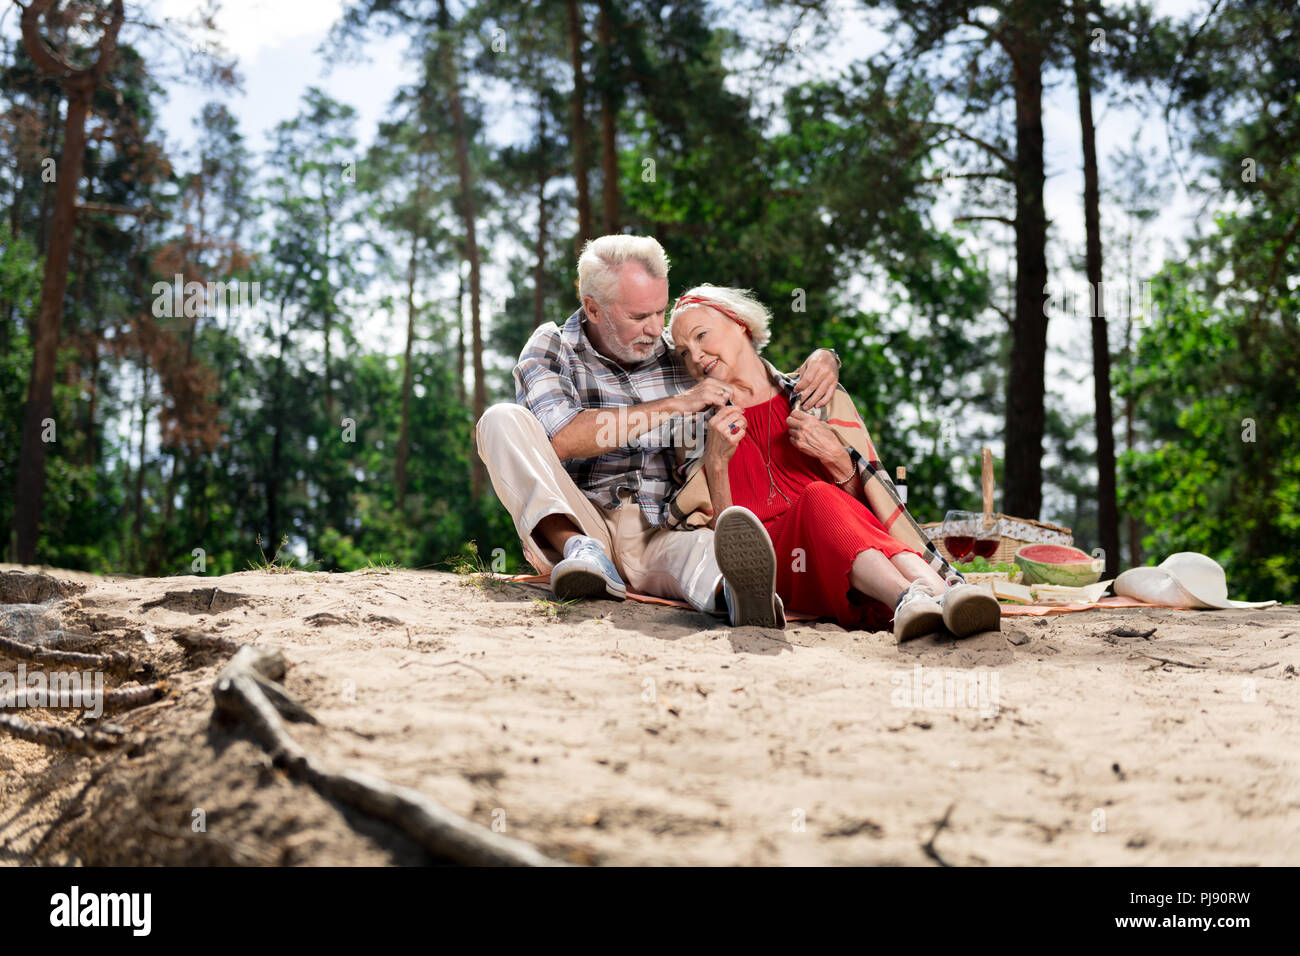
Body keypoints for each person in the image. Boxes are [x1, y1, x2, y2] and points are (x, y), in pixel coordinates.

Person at [474, 236, 843, 627]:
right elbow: (563, 438)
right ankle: (581, 553)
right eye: (638, 317)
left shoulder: (680, 351)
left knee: (706, 551)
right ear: (593, 308)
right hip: (582, 516)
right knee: (500, 420)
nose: (655, 329)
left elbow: (751, 375)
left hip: (661, 527)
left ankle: (735, 594)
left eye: (659, 311)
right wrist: (675, 405)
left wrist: (826, 358)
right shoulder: (554, 346)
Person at [665, 284, 1001, 641]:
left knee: (821, 497)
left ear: (740, 324)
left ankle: (942, 597)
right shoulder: (695, 429)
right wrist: (716, 462)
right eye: (685, 352)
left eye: (702, 336)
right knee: (816, 497)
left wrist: (838, 458)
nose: (696, 356)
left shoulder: (816, 395)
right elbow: (722, 542)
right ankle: (910, 597)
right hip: (780, 567)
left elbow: (872, 509)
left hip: (858, 562)